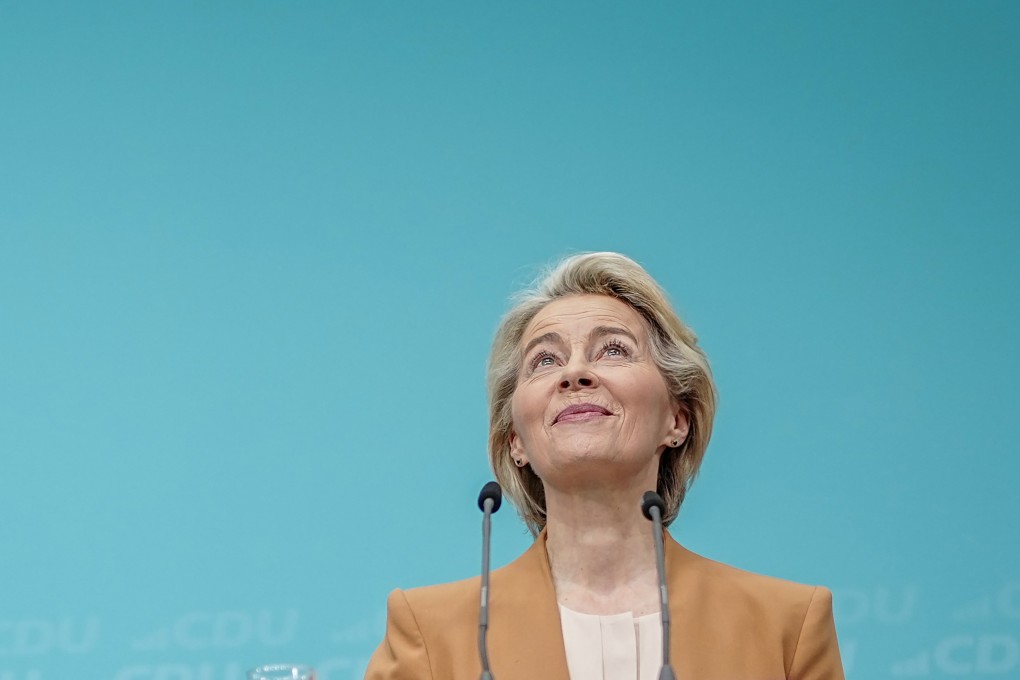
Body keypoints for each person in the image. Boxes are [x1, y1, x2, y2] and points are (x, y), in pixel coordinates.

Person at [365, 252, 844, 680]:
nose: (574, 373)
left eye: (613, 349)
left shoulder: (787, 626)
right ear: (516, 441)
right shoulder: (430, 633)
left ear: (677, 419)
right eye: (545, 360)